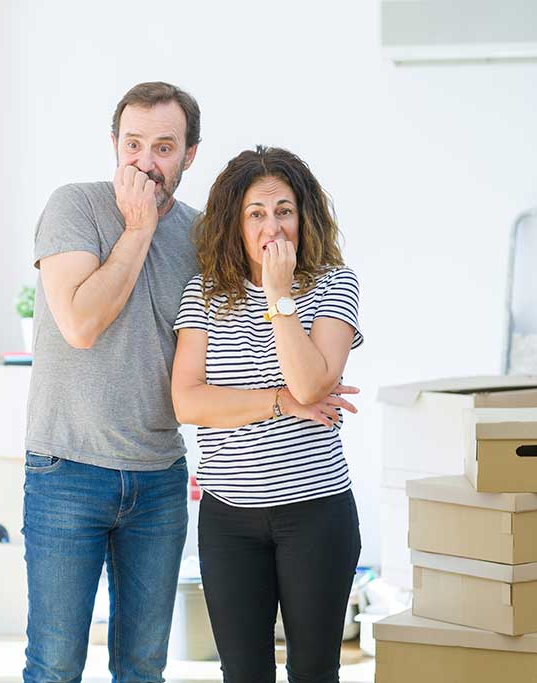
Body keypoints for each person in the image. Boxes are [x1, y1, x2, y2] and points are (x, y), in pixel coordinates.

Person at [22, 82, 201, 683]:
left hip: (159, 479)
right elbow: (80, 323)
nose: (146, 162)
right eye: (134, 144)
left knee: (144, 666)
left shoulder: (202, 237)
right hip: (66, 472)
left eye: (164, 147)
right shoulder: (74, 206)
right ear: (113, 144)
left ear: (189, 155)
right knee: (55, 664)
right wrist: (139, 229)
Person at [171, 145, 363, 683]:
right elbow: (188, 402)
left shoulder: (332, 285)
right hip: (229, 518)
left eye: (284, 210)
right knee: (243, 674)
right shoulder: (203, 296)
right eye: (256, 213)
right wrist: (281, 403)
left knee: (314, 671)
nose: (272, 226)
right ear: (236, 223)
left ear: (304, 217)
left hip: (317, 512)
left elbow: (311, 380)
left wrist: (279, 295)